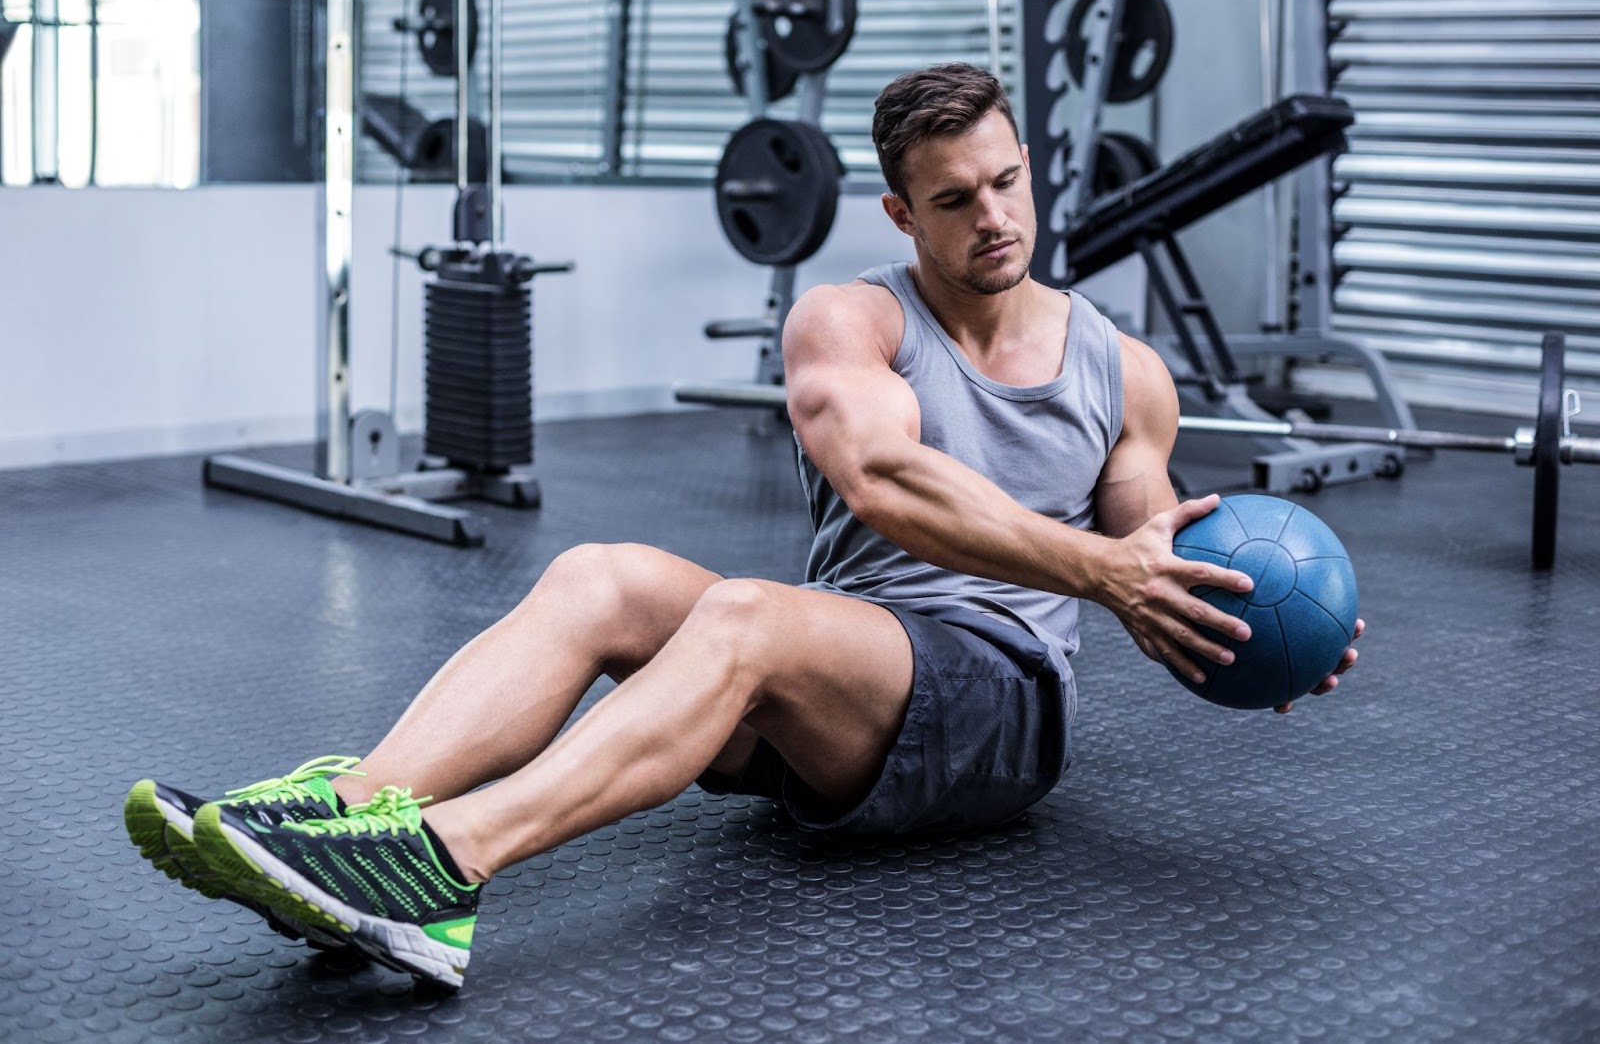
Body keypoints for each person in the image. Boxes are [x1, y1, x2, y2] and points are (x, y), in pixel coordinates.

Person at [124, 63, 1362, 990]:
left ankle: (439, 868)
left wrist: (1242, 629)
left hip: (1000, 708)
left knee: (746, 616)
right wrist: (1104, 567)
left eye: (1005, 182)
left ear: (1026, 168)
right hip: (850, 675)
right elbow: (885, 479)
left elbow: (1163, 555)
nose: (992, 217)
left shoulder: (1124, 370)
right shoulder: (847, 321)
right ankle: (341, 825)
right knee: (601, 573)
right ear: (898, 213)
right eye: (952, 199)